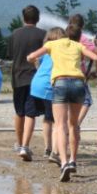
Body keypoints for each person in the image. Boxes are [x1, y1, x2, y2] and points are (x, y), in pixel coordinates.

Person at [27, 22, 97, 182]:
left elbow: (33, 56)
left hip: (60, 83)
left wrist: (30, 60)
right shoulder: (77, 45)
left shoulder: (52, 44)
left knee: (60, 125)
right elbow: (96, 56)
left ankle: (64, 162)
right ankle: (73, 159)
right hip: (78, 83)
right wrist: (96, 71)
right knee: (73, 124)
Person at [8, 5, 46, 161]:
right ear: (38, 19)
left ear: (23, 18)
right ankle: (25, 146)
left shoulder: (14, 34)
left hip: (17, 78)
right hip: (36, 79)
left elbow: (10, 55)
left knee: (19, 112)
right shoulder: (43, 35)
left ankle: (19, 143)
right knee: (31, 113)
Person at [29, 27, 66, 166]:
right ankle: (55, 152)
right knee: (58, 122)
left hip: (36, 86)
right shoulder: (62, 52)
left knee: (46, 119)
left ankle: (47, 148)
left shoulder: (46, 51)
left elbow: (36, 63)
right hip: (50, 88)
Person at [68, 13, 97, 160]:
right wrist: (96, 44)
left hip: (61, 76)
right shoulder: (84, 39)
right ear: (83, 26)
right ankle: (76, 124)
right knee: (87, 101)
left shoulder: (63, 36)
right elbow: (96, 52)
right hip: (79, 76)